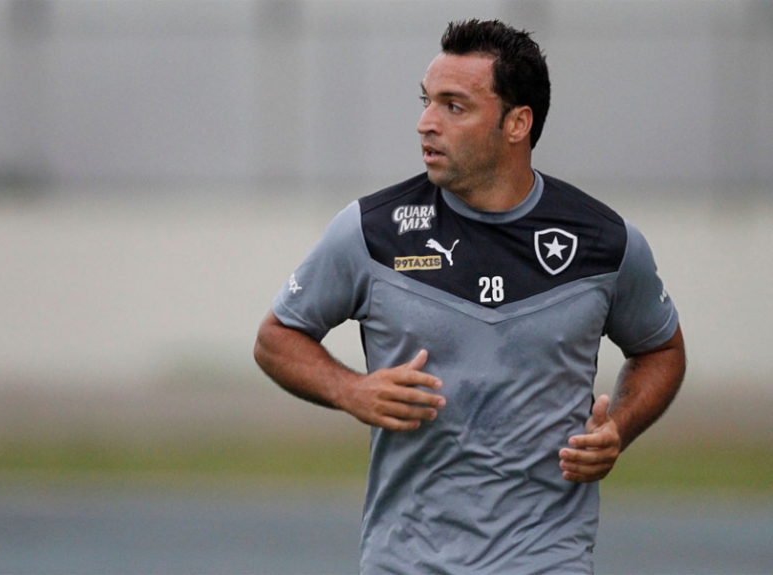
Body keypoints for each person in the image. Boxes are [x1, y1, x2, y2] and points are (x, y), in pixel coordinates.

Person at [254, 18, 685, 574]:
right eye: (427, 101)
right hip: (405, 561)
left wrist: (618, 429)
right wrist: (350, 390)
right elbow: (275, 337)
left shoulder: (604, 243)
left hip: (546, 559)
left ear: (516, 123)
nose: (425, 124)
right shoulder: (371, 231)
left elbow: (661, 350)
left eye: (454, 107)